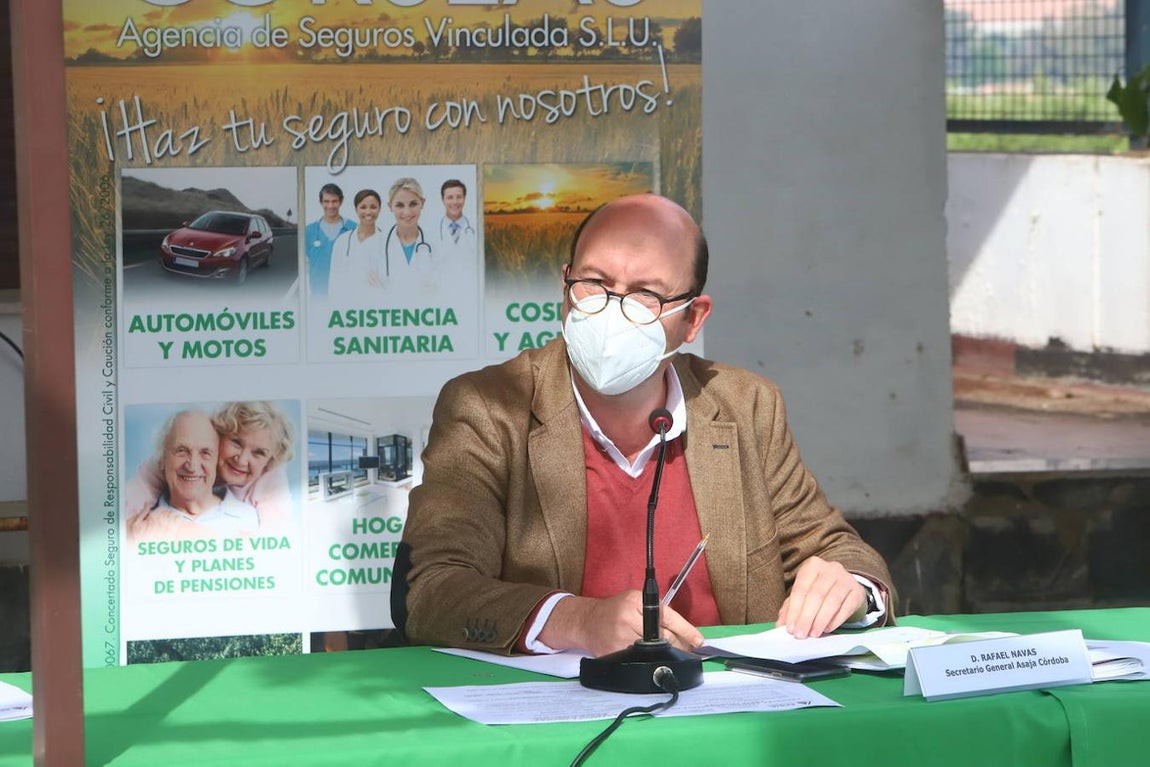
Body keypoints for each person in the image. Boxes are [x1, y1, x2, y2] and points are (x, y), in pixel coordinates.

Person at [394, 194, 895, 658]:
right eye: (594, 284)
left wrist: (850, 586)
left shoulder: (746, 407)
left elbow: (837, 548)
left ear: (693, 319)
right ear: (565, 288)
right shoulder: (489, 407)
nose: (612, 310)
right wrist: (577, 618)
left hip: (730, 710)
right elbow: (434, 589)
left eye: (645, 296)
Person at [124, 401, 296, 536]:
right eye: (236, 442)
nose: (242, 460)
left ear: (269, 462)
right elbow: (123, 517)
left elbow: (274, 541)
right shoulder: (165, 462)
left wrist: (183, 532)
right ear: (219, 435)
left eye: (258, 453)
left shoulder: (271, 479)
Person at [328, 189, 387, 304]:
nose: (368, 212)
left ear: (380, 209)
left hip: (376, 306)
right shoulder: (342, 241)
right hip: (347, 306)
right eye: (363, 207)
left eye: (373, 207)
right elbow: (333, 279)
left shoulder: (387, 242)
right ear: (356, 209)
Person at [305, 183, 356, 299]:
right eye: (326, 201)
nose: (330, 206)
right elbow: (306, 259)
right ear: (321, 202)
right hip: (318, 295)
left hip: (346, 295)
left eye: (334, 201)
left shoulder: (353, 229)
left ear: (341, 202)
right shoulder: (309, 231)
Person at [382, 177, 435, 281]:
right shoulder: (376, 246)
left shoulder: (437, 245)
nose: (407, 212)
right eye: (399, 205)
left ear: (422, 203)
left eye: (413, 204)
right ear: (390, 206)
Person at [436, 179, 476, 253]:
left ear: (464, 198)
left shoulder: (475, 229)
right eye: (450, 197)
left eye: (459, 197)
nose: (455, 202)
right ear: (443, 200)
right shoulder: (432, 232)